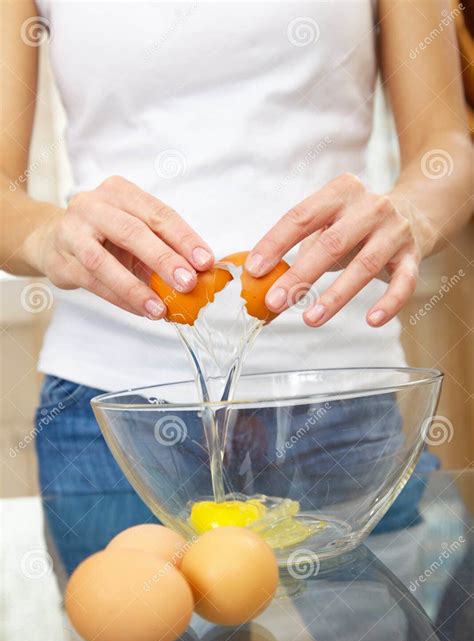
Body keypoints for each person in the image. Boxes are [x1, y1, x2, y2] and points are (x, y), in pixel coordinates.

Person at [2, 1, 471, 576]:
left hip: (341, 397)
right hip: (114, 409)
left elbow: (446, 143)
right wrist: (50, 235)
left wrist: (411, 213)